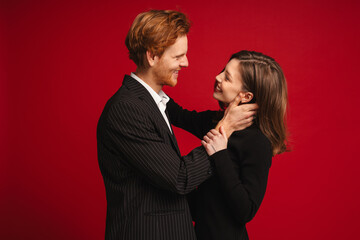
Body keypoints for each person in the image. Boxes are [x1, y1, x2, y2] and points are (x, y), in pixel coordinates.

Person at [96, 10, 257, 240]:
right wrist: (227, 127)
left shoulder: (154, 102)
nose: (186, 63)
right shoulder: (127, 108)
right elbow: (180, 178)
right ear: (152, 57)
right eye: (178, 56)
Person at [174, 50, 288, 240]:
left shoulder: (257, 143)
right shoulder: (216, 122)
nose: (217, 77)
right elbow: (177, 114)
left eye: (226, 77)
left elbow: (246, 210)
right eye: (222, 71)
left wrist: (220, 154)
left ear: (245, 96)